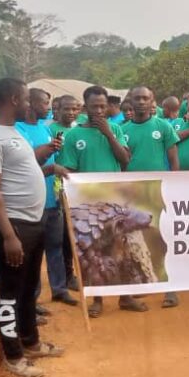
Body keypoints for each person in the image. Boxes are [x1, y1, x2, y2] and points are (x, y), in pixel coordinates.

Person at [0, 78, 65, 377]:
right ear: (14, 99)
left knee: (28, 289)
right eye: (27, 99)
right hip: (13, 226)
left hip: (32, 221)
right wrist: (9, 236)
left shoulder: (12, 132)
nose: (30, 104)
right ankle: (13, 356)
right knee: (11, 293)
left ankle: (31, 341)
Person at [58, 85, 148, 318]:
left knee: (123, 250)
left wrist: (108, 133)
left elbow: (125, 159)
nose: (98, 110)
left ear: (108, 106)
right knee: (95, 252)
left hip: (115, 200)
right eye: (94, 106)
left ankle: (125, 297)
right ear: (84, 107)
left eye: (102, 106)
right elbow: (69, 168)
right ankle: (98, 299)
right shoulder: (74, 135)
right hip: (91, 206)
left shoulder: (116, 128)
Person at [16, 88, 78, 310]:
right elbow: (24, 165)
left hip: (53, 197)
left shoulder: (45, 129)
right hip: (33, 202)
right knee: (32, 254)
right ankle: (31, 300)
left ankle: (60, 290)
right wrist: (47, 154)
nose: (48, 108)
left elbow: (53, 158)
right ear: (30, 103)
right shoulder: (18, 130)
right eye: (44, 104)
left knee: (56, 246)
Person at [123, 86, 181, 309]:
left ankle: (170, 289)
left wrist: (175, 185)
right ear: (131, 100)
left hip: (160, 190)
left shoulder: (163, 126)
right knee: (134, 240)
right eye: (136, 98)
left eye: (145, 98)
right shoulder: (122, 129)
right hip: (133, 192)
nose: (140, 102)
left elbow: (174, 159)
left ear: (152, 101)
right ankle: (139, 286)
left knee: (164, 238)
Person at [49, 96, 82, 292]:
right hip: (57, 188)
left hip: (77, 187)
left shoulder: (79, 129)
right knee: (61, 236)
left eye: (74, 109)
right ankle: (66, 277)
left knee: (74, 236)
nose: (70, 113)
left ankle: (72, 275)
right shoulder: (50, 130)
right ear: (57, 110)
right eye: (66, 109)